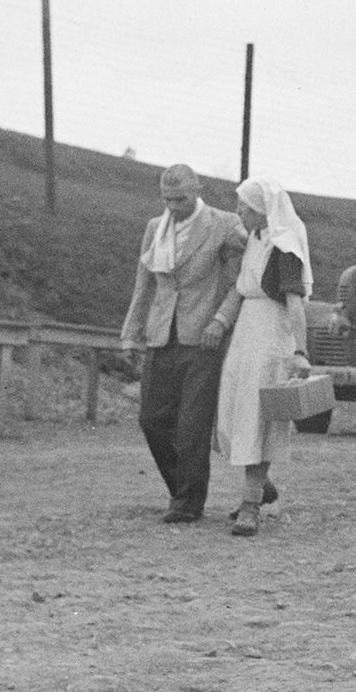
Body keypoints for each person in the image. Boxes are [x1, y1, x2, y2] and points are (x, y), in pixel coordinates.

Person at [120, 164, 247, 524]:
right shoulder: (154, 228)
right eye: (167, 200)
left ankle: (188, 502)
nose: (173, 207)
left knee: (192, 425)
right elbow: (144, 283)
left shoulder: (224, 224)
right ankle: (186, 488)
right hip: (162, 335)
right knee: (151, 419)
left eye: (181, 199)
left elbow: (244, 277)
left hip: (204, 338)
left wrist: (221, 320)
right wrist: (131, 333)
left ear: (197, 191)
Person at [212, 177, 313, 537]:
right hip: (246, 333)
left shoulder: (285, 249)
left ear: (264, 210)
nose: (239, 212)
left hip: (271, 336)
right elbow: (241, 289)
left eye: (246, 207)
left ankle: (251, 504)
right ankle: (261, 485)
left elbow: (295, 304)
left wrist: (300, 351)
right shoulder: (254, 239)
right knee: (238, 413)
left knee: (258, 417)